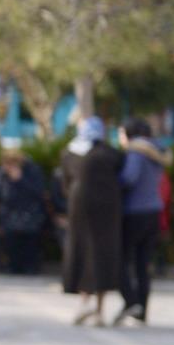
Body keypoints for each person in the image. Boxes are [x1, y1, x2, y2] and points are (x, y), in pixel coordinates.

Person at [60, 116, 123, 326]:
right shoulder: (111, 154)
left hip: (79, 208)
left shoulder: (69, 153)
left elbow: (65, 184)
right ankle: (99, 310)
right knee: (102, 255)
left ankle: (83, 302)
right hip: (108, 212)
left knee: (81, 252)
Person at [115, 117, 172, 325]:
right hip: (153, 212)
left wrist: (111, 182)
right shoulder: (157, 150)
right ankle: (142, 310)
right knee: (143, 264)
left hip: (135, 212)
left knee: (120, 260)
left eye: (121, 133)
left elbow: (129, 178)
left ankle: (131, 301)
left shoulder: (136, 152)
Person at [0, 138, 48, 274]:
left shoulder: (32, 170)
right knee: (11, 237)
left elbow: (38, 192)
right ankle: (13, 266)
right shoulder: (2, 174)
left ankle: (29, 267)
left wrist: (20, 180)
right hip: (9, 215)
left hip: (31, 215)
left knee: (29, 238)